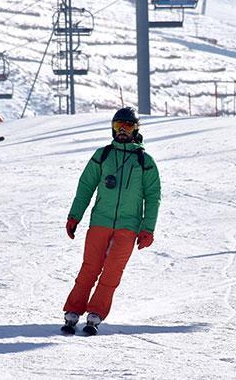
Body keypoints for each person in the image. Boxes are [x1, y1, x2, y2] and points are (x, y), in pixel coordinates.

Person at [61, 108, 161, 335]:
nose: (122, 131)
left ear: (136, 129)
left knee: (112, 272)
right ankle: (73, 311)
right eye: (118, 127)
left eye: (127, 127)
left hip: (128, 226)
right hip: (100, 222)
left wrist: (148, 228)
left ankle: (95, 313)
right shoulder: (102, 155)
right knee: (90, 268)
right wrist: (74, 215)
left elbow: (153, 197)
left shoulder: (145, 162)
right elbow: (85, 187)